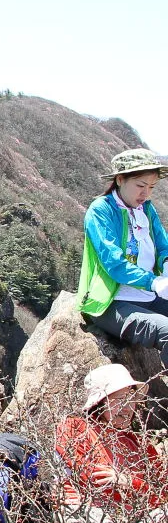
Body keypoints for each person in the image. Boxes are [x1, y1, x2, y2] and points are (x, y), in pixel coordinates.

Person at [55, 363, 168, 523]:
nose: (126, 406)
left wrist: (129, 481)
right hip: (89, 512)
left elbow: (163, 491)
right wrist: (137, 488)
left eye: (131, 398)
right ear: (100, 402)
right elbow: (90, 476)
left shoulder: (139, 444)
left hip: (135, 520)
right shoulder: (76, 429)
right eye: (118, 400)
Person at [78, 148, 168, 366]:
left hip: (147, 296)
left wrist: (166, 265)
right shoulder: (101, 210)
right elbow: (114, 263)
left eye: (151, 187)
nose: (146, 193)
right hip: (111, 301)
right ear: (120, 179)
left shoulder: (146, 209)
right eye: (140, 186)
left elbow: (163, 245)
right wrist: (153, 282)